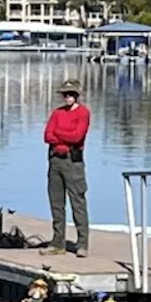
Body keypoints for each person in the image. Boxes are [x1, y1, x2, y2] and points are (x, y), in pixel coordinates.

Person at [42, 79, 91, 258]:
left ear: (77, 96)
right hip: (55, 161)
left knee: (77, 202)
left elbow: (77, 137)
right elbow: (47, 135)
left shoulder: (83, 113)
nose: (68, 98)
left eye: (71, 95)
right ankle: (57, 242)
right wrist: (62, 137)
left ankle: (82, 243)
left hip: (73, 162)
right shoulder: (57, 113)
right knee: (56, 203)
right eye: (66, 95)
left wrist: (59, 135)